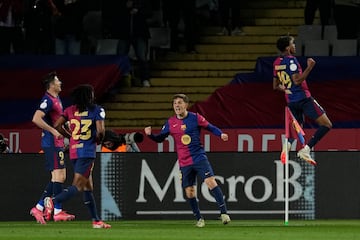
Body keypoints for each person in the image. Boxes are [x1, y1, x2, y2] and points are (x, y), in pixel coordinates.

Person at [144, 93, 231, 228]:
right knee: (189, 191)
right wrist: (150, 135)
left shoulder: (196, 118)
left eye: (179, 103)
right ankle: (199, 218)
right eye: (175, 103)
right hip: (184, 162)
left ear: (186, 105)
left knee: (210, 182)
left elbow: (210, 127)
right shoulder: (171, 122)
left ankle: (224, 213)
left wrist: (221, 134)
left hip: (199, 157)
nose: (177, 105)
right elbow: (160, 139)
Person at [49, 84, 111, 229]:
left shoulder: (70, 110)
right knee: (78, 185)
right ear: (89, 96)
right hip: (87, 152)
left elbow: (58, 125)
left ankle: (96, 221)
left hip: (74, 152)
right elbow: (101, 132)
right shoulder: (97, 109)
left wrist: (70, 137)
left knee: (88, 186)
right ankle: (53, 201)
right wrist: (97, 140)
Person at [273, 35, 332, 166]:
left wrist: (288, 90)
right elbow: (297, 80)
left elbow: (275, 85)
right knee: (327, 124)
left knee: (297, 127)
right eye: (293, 44)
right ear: (288, 48)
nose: (295, 46)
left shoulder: (276, 63)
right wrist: (310, 67)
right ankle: (306, 150)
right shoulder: (291, 61)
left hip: (291, 101)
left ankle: (286, 146)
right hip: (303, 99)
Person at [30, 71, 75, 224]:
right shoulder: (47, 100)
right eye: (57, 81)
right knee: (58, 176)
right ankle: (57, 211)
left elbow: (57, 120)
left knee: (59, 177)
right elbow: (36, 118)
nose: (60, 82)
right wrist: (53, 131)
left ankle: (39, 206)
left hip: (58, 142)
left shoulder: (57, 99)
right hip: (51, 142)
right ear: (51, 85)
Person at [102, 0, 152, 87]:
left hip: (140, 32)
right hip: (124, 33)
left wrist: (138, 10)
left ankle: (145, 79)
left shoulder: (143, 3)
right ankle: (119, 79)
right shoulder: (121, 3)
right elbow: (114, 13)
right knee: (120, 56)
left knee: (142, 57)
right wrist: (126, 9)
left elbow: (149, 12)